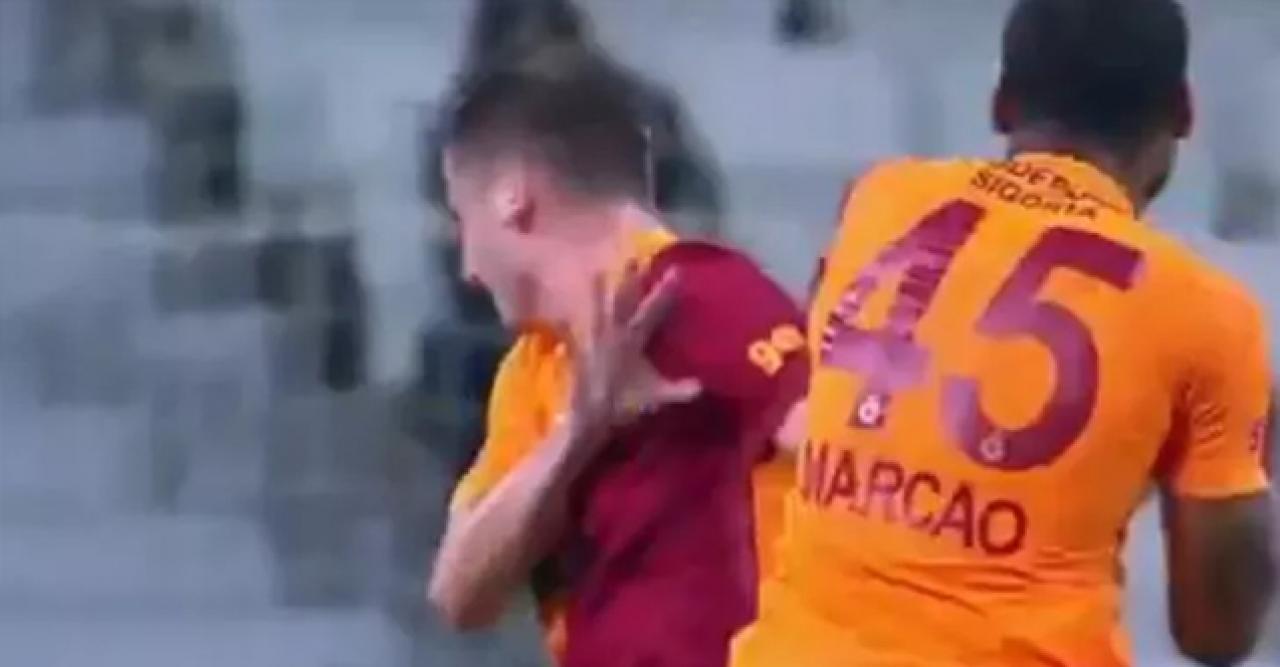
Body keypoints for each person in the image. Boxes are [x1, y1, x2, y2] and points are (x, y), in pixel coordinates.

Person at [732, 1, 1276, 666]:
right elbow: (1217, 635)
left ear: (999, 104)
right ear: (1185, 113)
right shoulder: (1210, 313)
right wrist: (1244, 460)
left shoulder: (878, 201)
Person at [426, 61, 808, 667]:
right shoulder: (534, 367)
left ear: (510, 198)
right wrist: (579, 434)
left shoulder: (703, 296)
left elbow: (849, 451)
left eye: (461, 218)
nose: (469, 267)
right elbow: (459, 595)